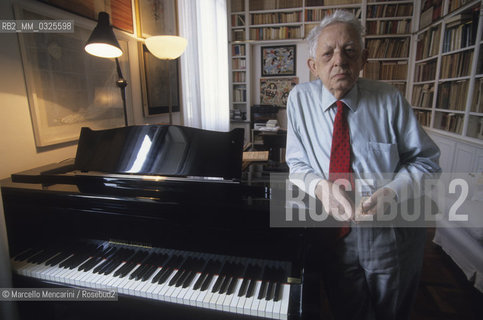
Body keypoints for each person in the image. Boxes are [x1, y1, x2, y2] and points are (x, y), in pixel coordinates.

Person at [285, 10, 441, 320]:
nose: (339, 61)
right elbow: (296, 162)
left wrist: (392, 192)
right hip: (331, 230)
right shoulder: (298, 100)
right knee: (346, 309)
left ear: (363, 59)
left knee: (391, 312)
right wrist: (319, 186)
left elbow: (427, 162)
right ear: (313, 65)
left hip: (389, 231)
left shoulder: (389, 100)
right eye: (328, 53)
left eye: (349, 52)